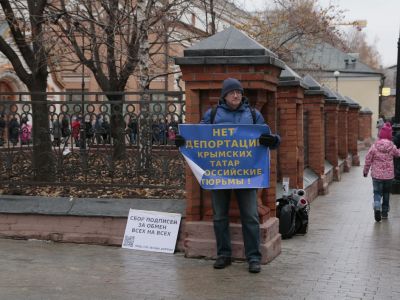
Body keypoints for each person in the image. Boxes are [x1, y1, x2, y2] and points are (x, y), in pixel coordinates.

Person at [175, 78, 280, 273]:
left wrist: (271, 140)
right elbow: (199, 138)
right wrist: (183, 141)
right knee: (220, 216)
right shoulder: (213, 114)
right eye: (232, 92)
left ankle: (253, 257)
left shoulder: (253, 114)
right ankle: (223, 254)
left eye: (239, 92)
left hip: (246, 175)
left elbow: (272, 137)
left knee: (250, 216)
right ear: (224, 95)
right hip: (219, 175)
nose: (236, 95)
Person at [364, 122, 400, 221]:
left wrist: (365, 171)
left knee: (377, 193)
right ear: (389, 135)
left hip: (376, 176)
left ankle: (376, 205)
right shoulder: (392, 146)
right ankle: (384, 213)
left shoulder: (374, 146)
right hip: (388, 176)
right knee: (386, 193)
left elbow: (368, 159)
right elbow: (398, 154)